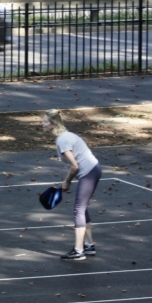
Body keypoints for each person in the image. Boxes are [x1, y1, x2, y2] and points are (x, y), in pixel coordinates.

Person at [41, 109, 101, 260]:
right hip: (92, 170)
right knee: (82, 208)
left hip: (89, 172)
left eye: (45, 121)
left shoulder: (63, 140)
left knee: (78, 210)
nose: (42, 124)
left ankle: (78, 250)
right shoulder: (65, 136)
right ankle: (88, 245)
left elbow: (74, 166)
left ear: (53, 124)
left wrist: (66, 182)